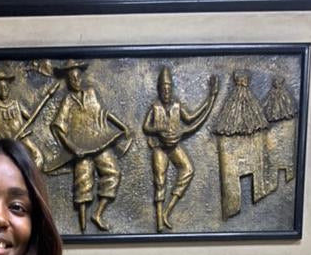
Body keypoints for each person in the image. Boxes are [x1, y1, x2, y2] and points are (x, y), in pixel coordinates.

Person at [48, 59, 130, 232]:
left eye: (77, 77)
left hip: (100, 141)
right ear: (68, 81)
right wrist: (73, 148)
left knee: (113, 173)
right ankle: (82, 224)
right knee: (83, 182)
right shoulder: (68, 100)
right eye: (71, 79)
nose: (75, 81)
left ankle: (98, 214)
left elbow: (104, 113)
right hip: (80, 148)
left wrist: (122, 126)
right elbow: (58, 127)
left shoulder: (92, 93)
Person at [142, 66, 219, 231]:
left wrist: (210, 99)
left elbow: (191, 119)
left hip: (175, 146)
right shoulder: (155, 107)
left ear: (172, 90)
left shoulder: (177, 105)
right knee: (160, 180)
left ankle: (168, 210)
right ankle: (159, 219)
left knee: (188, 169)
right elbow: (146, 127)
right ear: (159, 91)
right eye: (163, 90)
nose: (166, 93)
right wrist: (159, 130)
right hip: (159, 148)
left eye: (169, 89)